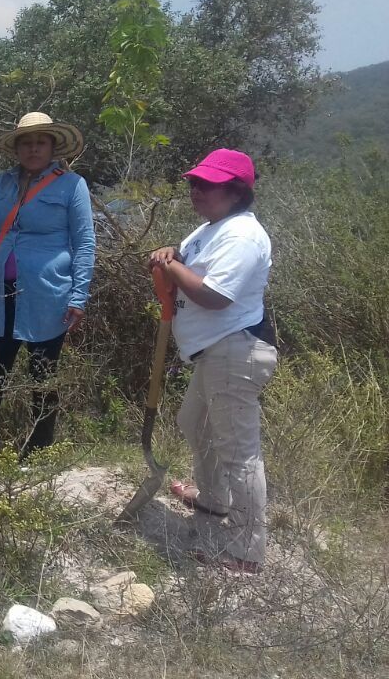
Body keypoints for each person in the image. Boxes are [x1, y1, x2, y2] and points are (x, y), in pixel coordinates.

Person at [0, 112, 96, 469]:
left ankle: (39, 455)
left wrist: (79, 296)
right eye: (26, 142)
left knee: (43, 375)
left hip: (48, 295)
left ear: (53, 146)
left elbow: (85, 243)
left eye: (41, 141)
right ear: (16, 148)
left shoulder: (72, 185)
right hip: (0, 293)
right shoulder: (2, 183)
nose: (33, 148)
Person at [149, 149, 275, 574]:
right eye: (194, 183)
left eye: (208, 184)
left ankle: (245, 549)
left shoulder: (242, 236)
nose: (197, 190)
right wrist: (173, 253)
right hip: (214, 352)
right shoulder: (211, 228)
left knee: (240, 453)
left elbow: (214, 296)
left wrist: (171, 264)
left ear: (237, 191)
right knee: (194, 423)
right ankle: (214, 499)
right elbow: (187, 263)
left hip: (235, 350)